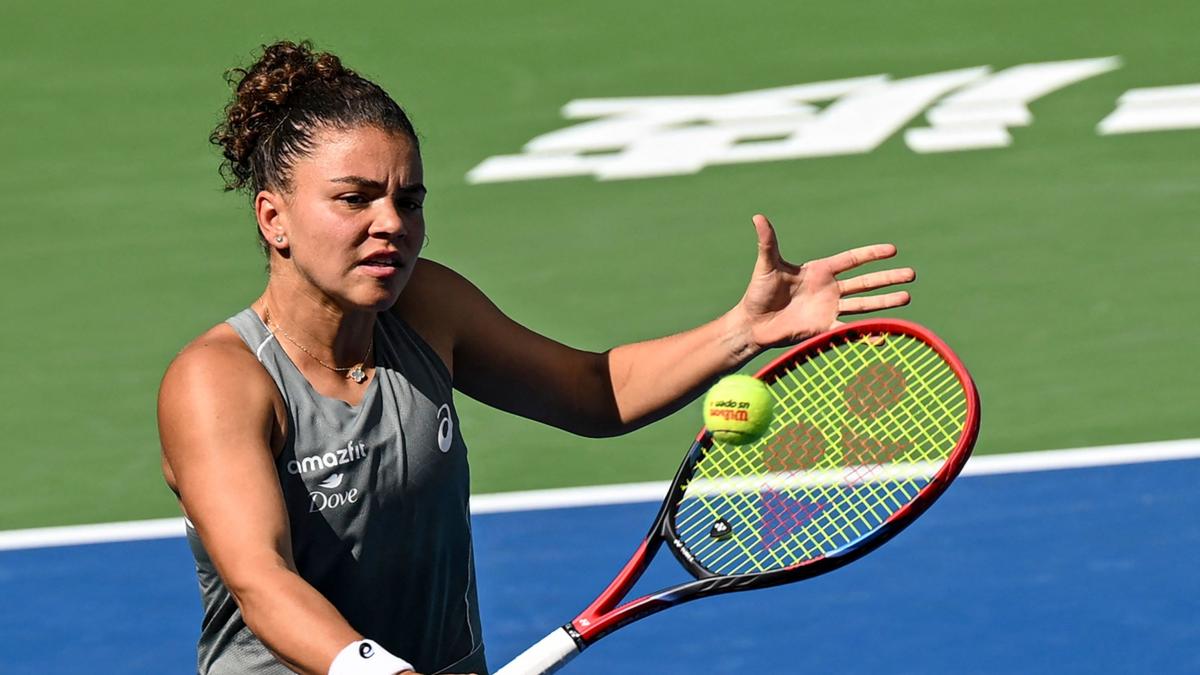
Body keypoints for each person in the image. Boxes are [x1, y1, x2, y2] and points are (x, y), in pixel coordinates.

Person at [157, 40, 915, 675]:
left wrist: (743, 331)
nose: (392, 222)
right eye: (355, 199)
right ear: (274, 218)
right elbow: (262, 577)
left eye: (409, 199)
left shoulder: (427, 309)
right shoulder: (221, 381)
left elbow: (590, 391)